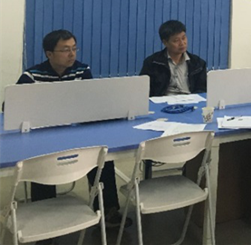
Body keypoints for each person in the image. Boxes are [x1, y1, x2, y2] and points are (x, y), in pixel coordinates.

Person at [16, 30, 130, 229]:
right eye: (65, 50)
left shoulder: (81, 71)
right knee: (43, 162)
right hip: (45, 136)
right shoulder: (32, 76)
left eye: (74, 49)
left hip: (77, 133)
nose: (72, 54)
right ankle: (44, 220)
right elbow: (11, 108)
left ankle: (108, 209)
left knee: (102, 155)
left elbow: (91, 102)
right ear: (49, 54)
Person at [140, 20, 207, 97]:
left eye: (183, 38)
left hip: (189, 100)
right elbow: (143, 89)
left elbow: (202, 90)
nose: (182, 43)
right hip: (163, 101)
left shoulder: (198, 64)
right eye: (176, 40)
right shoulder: (152, 63)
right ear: (165, 42)